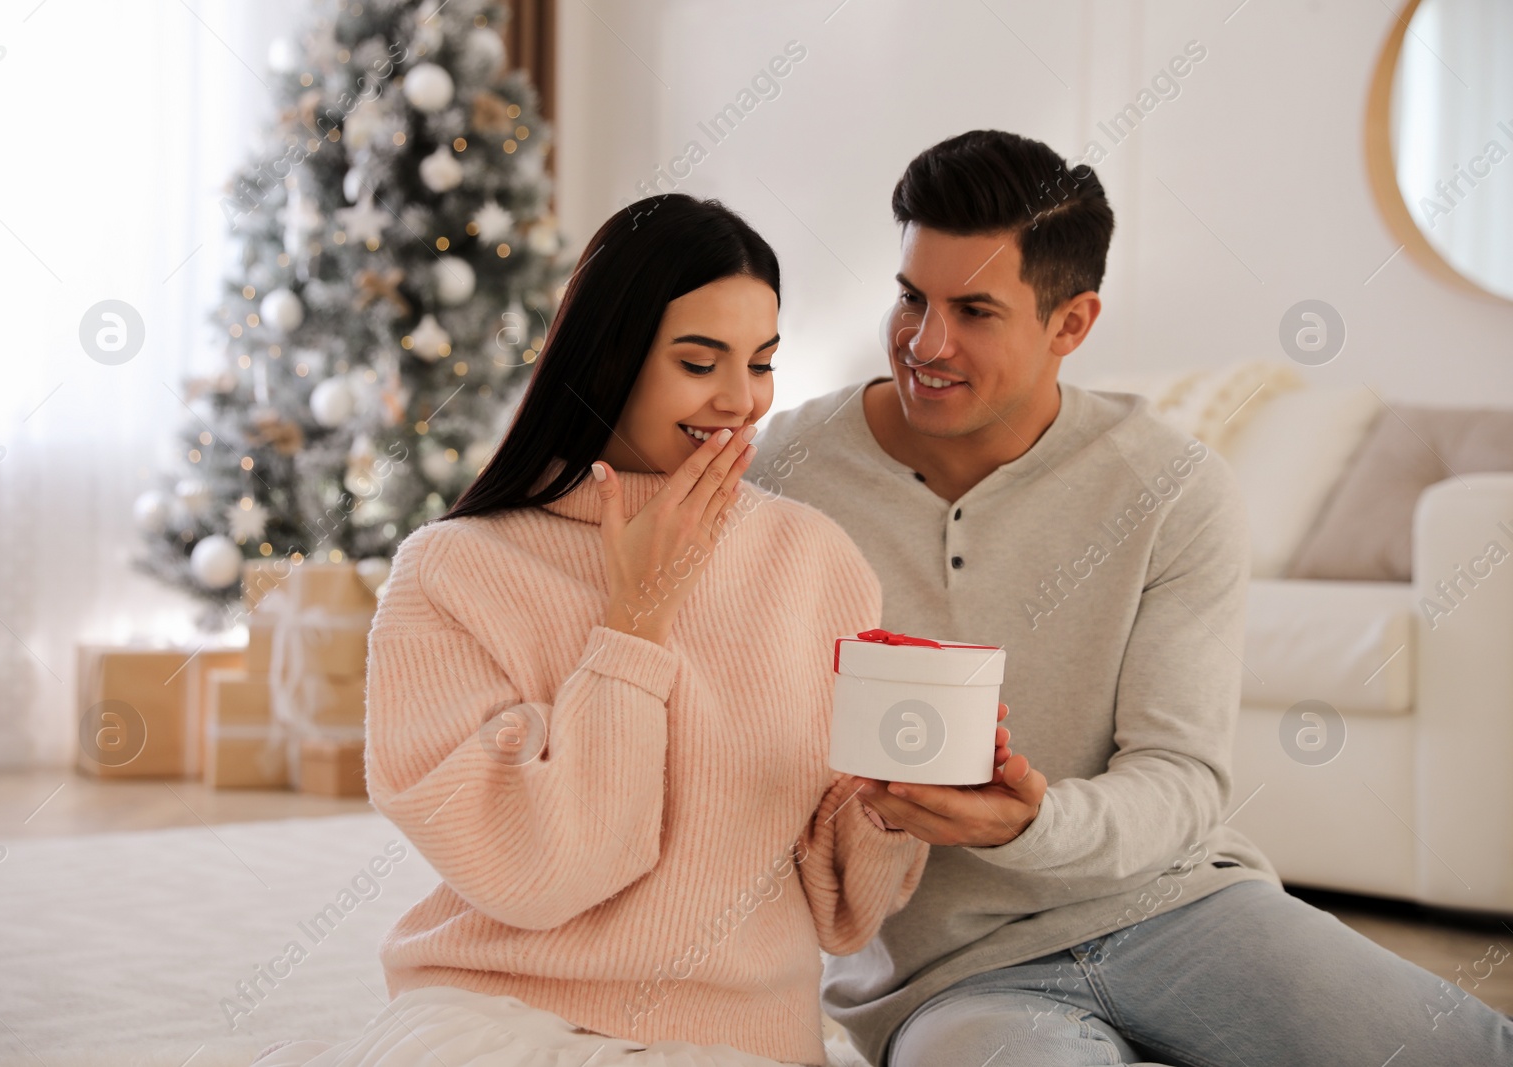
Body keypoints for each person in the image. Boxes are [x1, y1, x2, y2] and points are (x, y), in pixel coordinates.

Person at [747, 130, 1513, 1066]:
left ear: (1072, 324)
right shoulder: (788, 468)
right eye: (912, 297)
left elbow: (1181, 776)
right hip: (950, 973)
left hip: (1180, 908)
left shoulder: (1172, 488)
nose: (925, 343)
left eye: (975, 311)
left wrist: (1029, 824)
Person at [252, 193, 989, 1067]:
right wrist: (635, 621)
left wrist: (899, 802)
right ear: (609, 358)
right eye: (696, 360)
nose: (739, 400)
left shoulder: (816, 559)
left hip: (737, 1042)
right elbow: (541, 873)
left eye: (760, 362)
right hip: (500, 1023)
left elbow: (841, 912)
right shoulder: (452, 572)